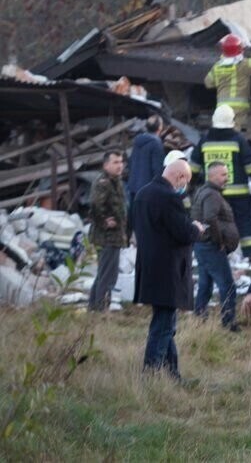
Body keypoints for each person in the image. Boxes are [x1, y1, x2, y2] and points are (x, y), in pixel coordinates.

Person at [133, 160, 205, 379]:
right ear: (179, 177)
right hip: (168, 270)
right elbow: (182, 232)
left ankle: (173, 374)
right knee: (163, 326)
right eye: (186, 181)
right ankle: (151, 373)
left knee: (166, 322)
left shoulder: (143, 193)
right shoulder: (169, 197)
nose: (185, 187)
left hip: (150, 267)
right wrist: (196, 228)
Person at [189, 105, 251, 260]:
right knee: (244, 222)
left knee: (212, 223)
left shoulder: (205, 141)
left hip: (212, 193)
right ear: (231, 121)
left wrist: (190, 186)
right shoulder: (238, 140)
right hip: (238, 193)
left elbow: (194, 167)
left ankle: (215, 252)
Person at [191, 161, 241, 332]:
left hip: (202, 245)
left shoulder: (204, 191)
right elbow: (210, 218)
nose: (226, 178)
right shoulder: (212, 195)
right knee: (227, 285)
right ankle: (229, 323)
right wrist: (219, 241)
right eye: (223, 175)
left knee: (205, 284)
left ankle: (199, 319)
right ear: (211, 176)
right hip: (210, 246)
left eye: (226, 174)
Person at [205, 33, 251, 131]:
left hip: (222, 107)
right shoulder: (244, 65)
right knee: (234, 133)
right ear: (240, 50)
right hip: (239, 108)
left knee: (222, 130)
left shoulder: (217, 67)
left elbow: (208, 83)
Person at [88, 150, 127, 312]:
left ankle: (96, 306)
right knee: (107, 275)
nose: (120, 166)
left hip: (115, 235)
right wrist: (104, 221)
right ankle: (100, 308)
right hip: (106, 236)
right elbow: (95, 204)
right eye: (115, 162)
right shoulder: (103, 182)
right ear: (106, 165)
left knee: (105, 273)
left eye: (121, 162)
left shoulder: (115, 181)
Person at [127, 115, 164, 235]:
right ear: (160, 128)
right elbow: (157, 170)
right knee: (147, 225)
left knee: (134, 219)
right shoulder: (156, 144)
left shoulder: (138, 142)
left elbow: (131, 162)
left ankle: (130, 240)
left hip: (133, 186)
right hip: (147, 189)